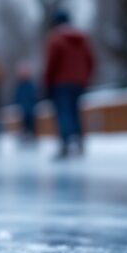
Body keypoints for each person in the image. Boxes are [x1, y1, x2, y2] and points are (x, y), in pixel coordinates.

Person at [43, 10, 95, 160]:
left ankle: (65, 144)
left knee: (63, 112)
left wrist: (47, 82)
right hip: (78, 83)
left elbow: (51, 64)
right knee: (75, 111)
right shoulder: (82, 39)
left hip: (60, 83)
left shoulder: (56, 38)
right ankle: (79, 142)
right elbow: (91, 60)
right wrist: (84, 77)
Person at [13, 63, 38, 144]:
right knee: (23, 123)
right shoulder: (19, 86)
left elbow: (35, 96)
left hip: (30, 108)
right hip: (22, 109)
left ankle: (32, 136)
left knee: (31, 123)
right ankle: (24, 135)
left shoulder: (31, 85)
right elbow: (17, 97)